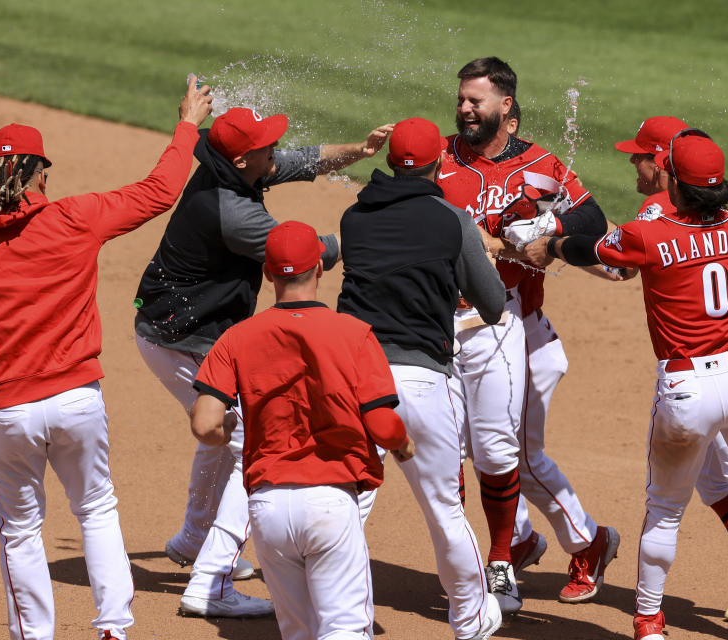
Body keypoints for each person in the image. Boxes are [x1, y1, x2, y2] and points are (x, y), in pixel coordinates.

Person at [0, 78, 214, 640]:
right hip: (77, 403)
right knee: (96, 510)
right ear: (39, 172)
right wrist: (188, 121)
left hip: (10, 416)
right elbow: (160, 191)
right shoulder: (77, 217)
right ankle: (114, 629)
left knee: (20, 532)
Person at [539, 129, 728, 640]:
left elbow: (598, 250)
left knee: (665, 510)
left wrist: (554, 242)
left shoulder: (649, 236)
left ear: (672, 178)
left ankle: (649, 620)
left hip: (689, 392)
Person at [133, 106, 392, 617]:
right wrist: (388, 238)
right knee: (252, 442)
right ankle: (212, 581)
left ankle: (193, 539)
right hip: (183, 339)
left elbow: (301, 160)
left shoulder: (230, 165)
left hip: (178, 329)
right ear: (244, 156)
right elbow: (306, 255)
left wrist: (358, 151)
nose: (278, 149)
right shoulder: (233, 212)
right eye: (267, 145)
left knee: (223, 429)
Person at [438, 56, 618, 610]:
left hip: (524, 332)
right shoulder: (442, 159)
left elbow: (593, 220)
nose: (466, 109)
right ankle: (515, 539)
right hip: (464, 328)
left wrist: (551, 227)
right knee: (478, 446)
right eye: (462, 99)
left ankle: (588, 541)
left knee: (512, 451)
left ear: (505, 107)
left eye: (477, 101)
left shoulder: (540, 164)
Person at [613, 116, 728, 626]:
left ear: (665, 164)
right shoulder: (723, 216)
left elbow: (621, 263)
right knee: (717, 485)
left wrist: (555, 236)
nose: (634, 162)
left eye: (642, 155)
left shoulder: (657, 213)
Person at [189, 220, 414, 640]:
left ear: (268, 274)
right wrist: (402, 444)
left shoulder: (236, 338)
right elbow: (383, 425)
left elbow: (205, 423)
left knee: (299, 632)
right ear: (321, 269)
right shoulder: (355, 333)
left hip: (268, 509)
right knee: (344, 628)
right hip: (330, 503)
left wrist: (223, 437)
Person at [338, 117, 506, 640]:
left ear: (391, 162)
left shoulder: (353, 219)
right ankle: (471, 618)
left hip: (356, 379)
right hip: (422, 380)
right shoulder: (451, 220)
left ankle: (343, 620)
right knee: (442, 506)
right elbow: (495, 306)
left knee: (348, 506)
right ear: (439, 162)